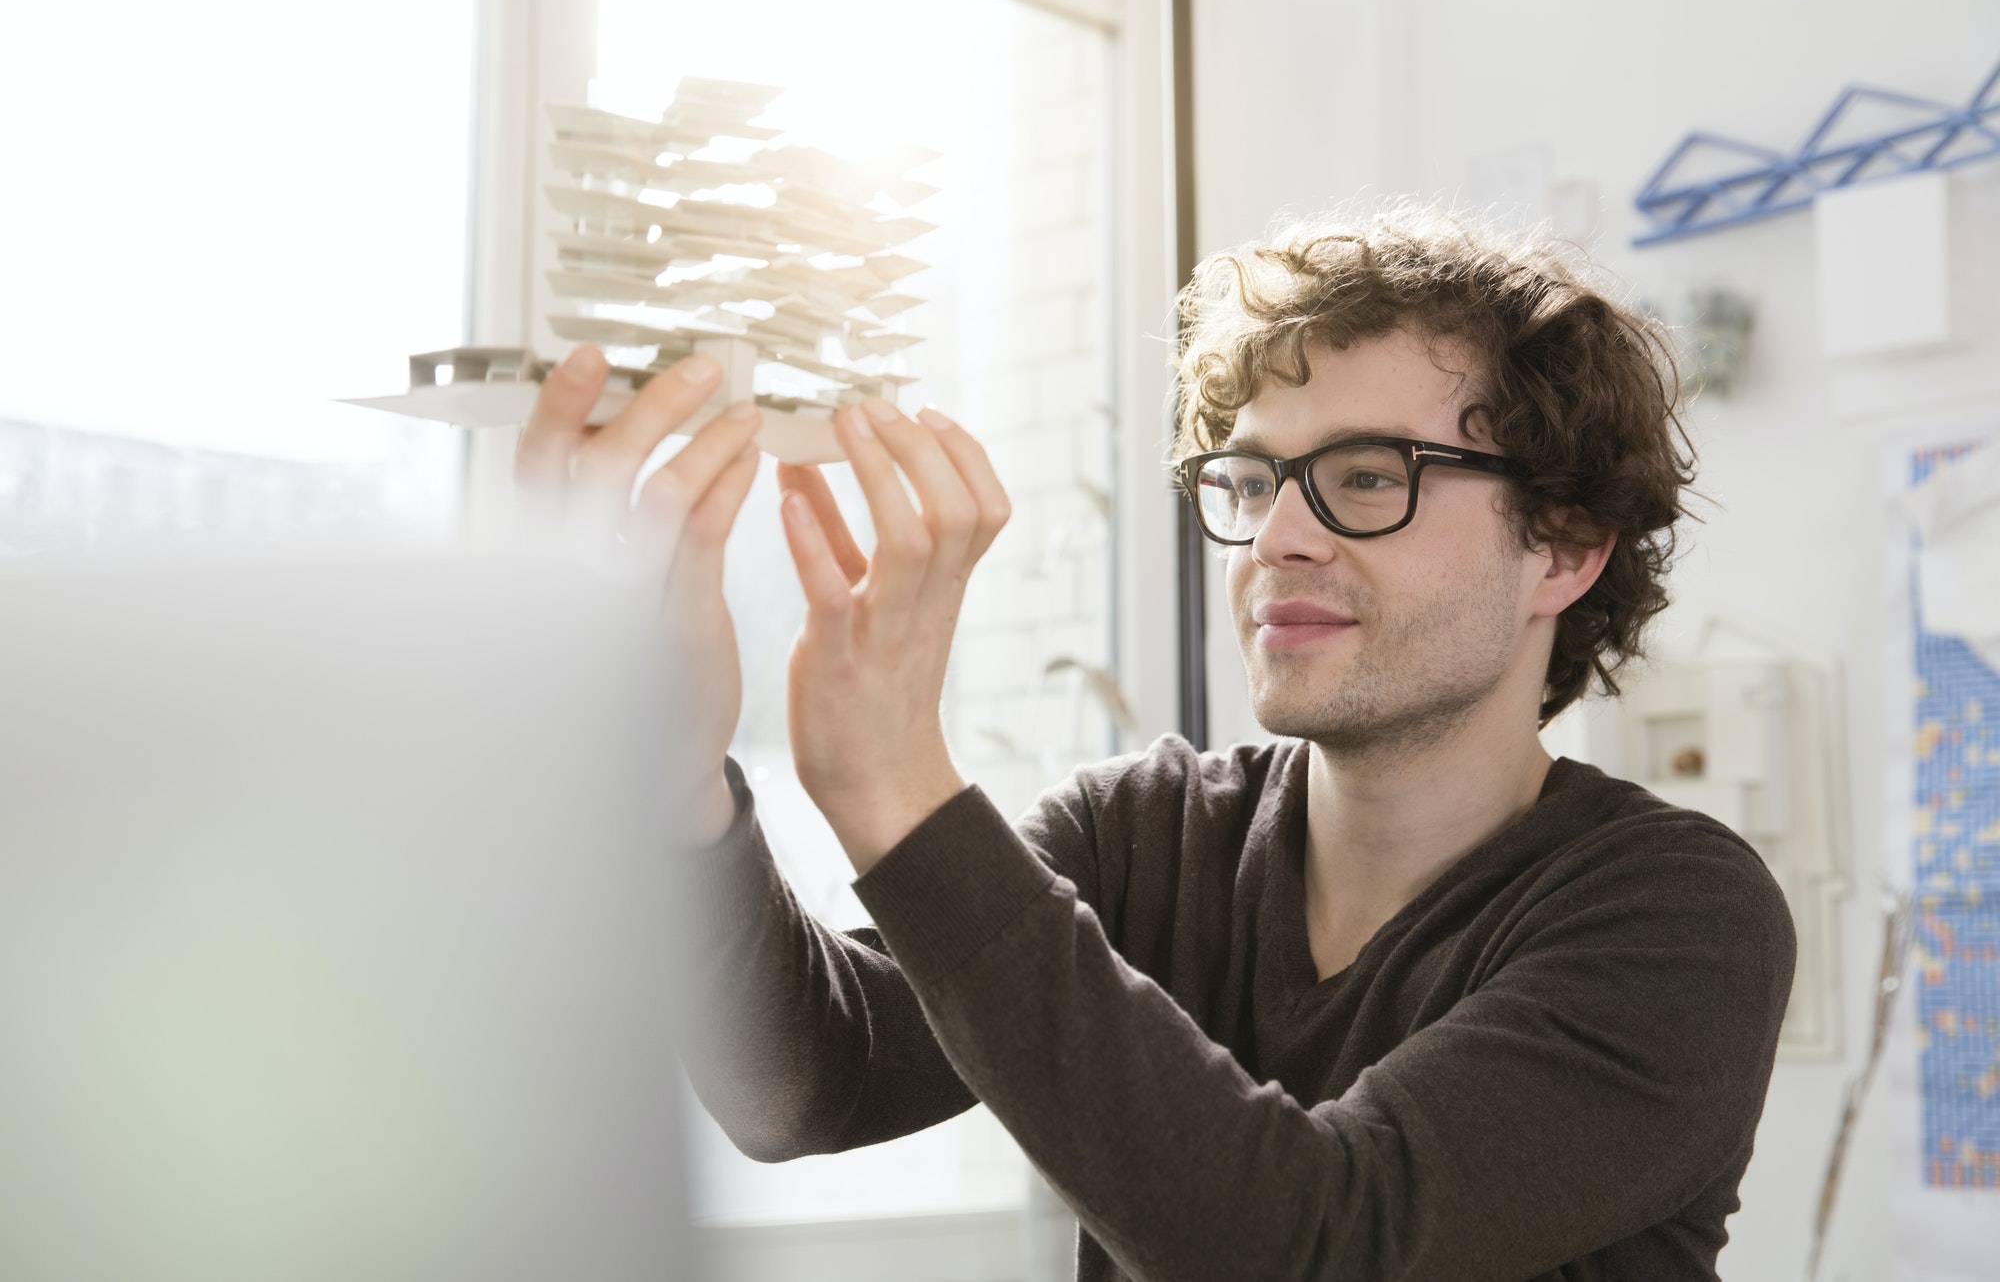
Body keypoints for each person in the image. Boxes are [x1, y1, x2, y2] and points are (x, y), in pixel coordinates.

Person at [519, 203, 1798, 1282]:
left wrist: (895, 784)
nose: (1281, 539)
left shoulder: (1677, 917)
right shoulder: (1140, 833)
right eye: (1250, 482)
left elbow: (1310, 1239)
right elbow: (799, 1083)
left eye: (1364, 477)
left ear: (1564, 548)